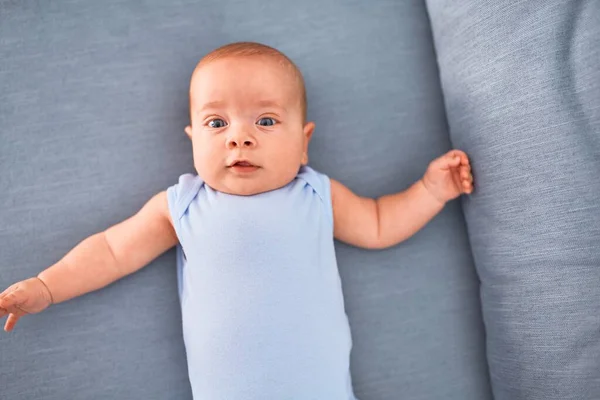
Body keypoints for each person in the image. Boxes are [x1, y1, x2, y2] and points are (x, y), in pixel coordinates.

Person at [0, 42, 473, 399]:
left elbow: (378, 223)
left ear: (303, 141)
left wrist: (430, 191)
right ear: (191, 138)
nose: (240, 139)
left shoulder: (315, 194)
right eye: (216, 123)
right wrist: (47, 286)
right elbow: (110, 251)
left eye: (265, 122)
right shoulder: (182, 205)